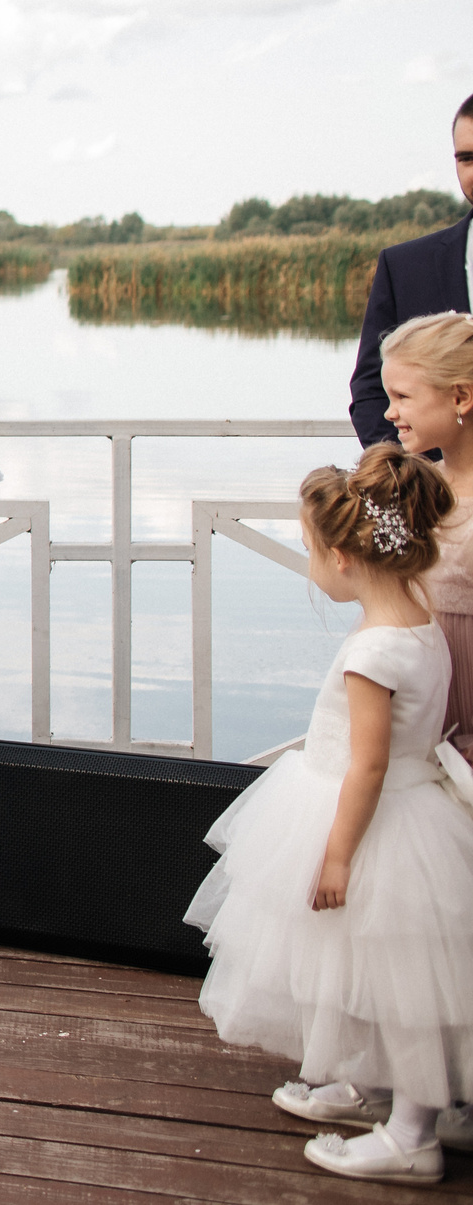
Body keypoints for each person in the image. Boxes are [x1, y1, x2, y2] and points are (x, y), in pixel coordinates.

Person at [186, 445, 473, 1184]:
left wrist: (339, 854)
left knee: (403, 984)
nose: (310, 564)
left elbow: (368, 765)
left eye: (311, 550)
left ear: (344, 558)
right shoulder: (419, 615)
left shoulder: (374, 649)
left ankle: (412, 1132)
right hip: (411, 809)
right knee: (375, 973)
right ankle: (370, 1085)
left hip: (375, 823)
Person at [351, 93, 473, 447]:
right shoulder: (404, 267)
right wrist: (410, 477)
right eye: (466, 158)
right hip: (432, 494)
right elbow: (372, 390)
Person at [378, 313, 473, 756]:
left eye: (402, 396)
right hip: (418, 712)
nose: (389, 412)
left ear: (461, 396)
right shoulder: (418, 488)